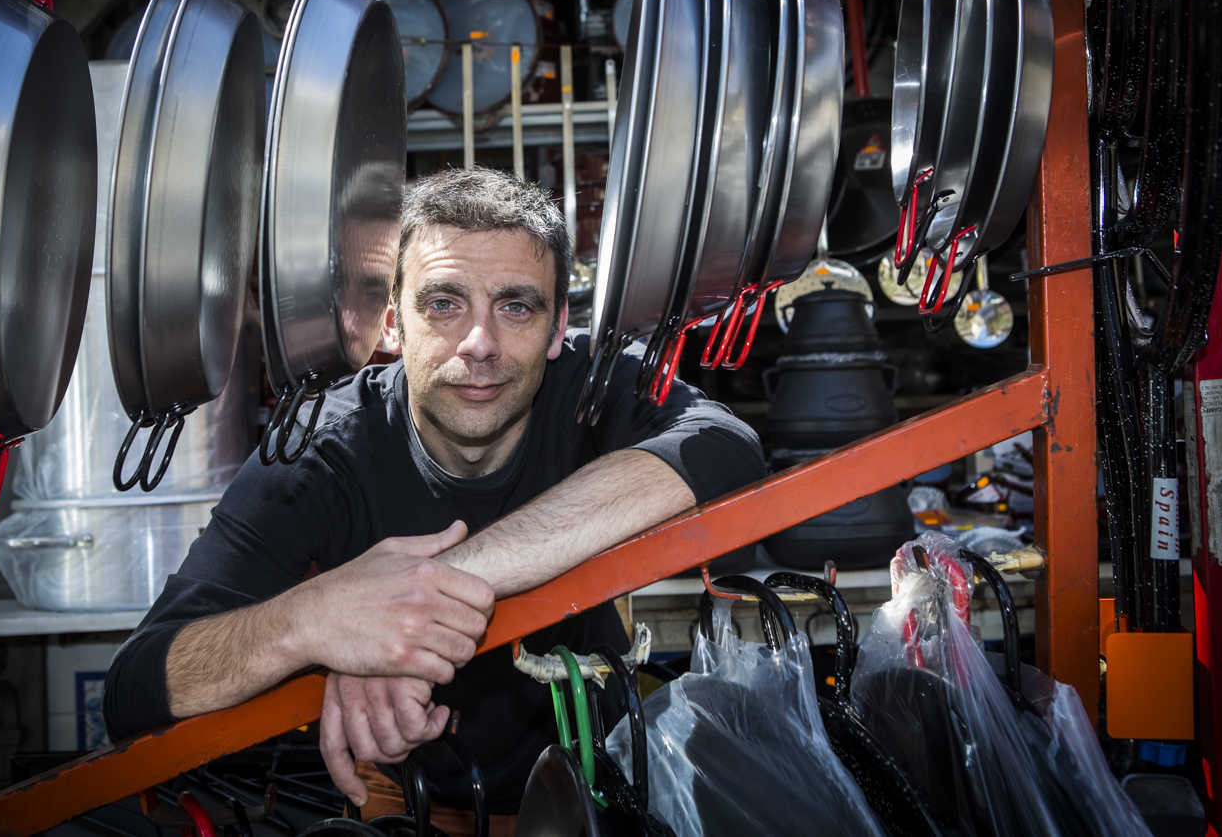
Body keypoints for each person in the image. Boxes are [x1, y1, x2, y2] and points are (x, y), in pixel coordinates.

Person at [102, 167, 765, 829]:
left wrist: (419, 596)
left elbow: (726, 446)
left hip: (596, 786)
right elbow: (134, 689)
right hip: (397, 804)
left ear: (559, 325)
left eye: (516, 306)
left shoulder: (590, 388)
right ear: (392, 325)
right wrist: (315, 621)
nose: (480, 344)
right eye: (444, 303)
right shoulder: (322, 450)